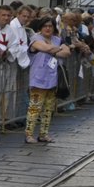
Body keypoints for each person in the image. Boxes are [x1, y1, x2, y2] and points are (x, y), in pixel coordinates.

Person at [24, 15, 70, 145]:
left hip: (53, 79)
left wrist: (56, 49)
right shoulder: (35, 39)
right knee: (35, 107)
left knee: (48, 108)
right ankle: (29, 134)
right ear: (40, 28)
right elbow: (45, 48)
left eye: (50, 26)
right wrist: (59, 49)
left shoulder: (57, 39)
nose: (48, 28)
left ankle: (43, 134)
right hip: (38, 79)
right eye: (45, 26)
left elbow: (67, 53)